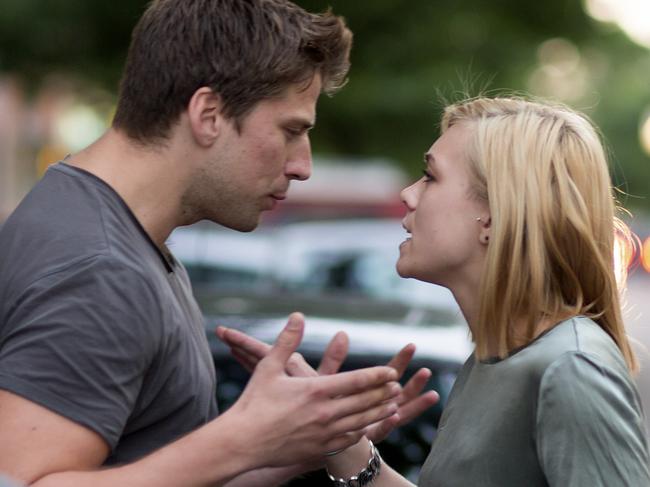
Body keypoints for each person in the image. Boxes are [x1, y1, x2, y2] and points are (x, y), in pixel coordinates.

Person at [0, 1, 439, 486]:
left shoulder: (112, 230)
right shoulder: (100, 269)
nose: (302, 165)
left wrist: (297, 443)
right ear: (208, 114)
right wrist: (243, 439)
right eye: (291, 130)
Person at [219, 96, 650, 486]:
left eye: (430, 177)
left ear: (494, 216)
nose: (408, 195)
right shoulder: (499, 356)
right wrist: (343, 442)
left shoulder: (569, 366)